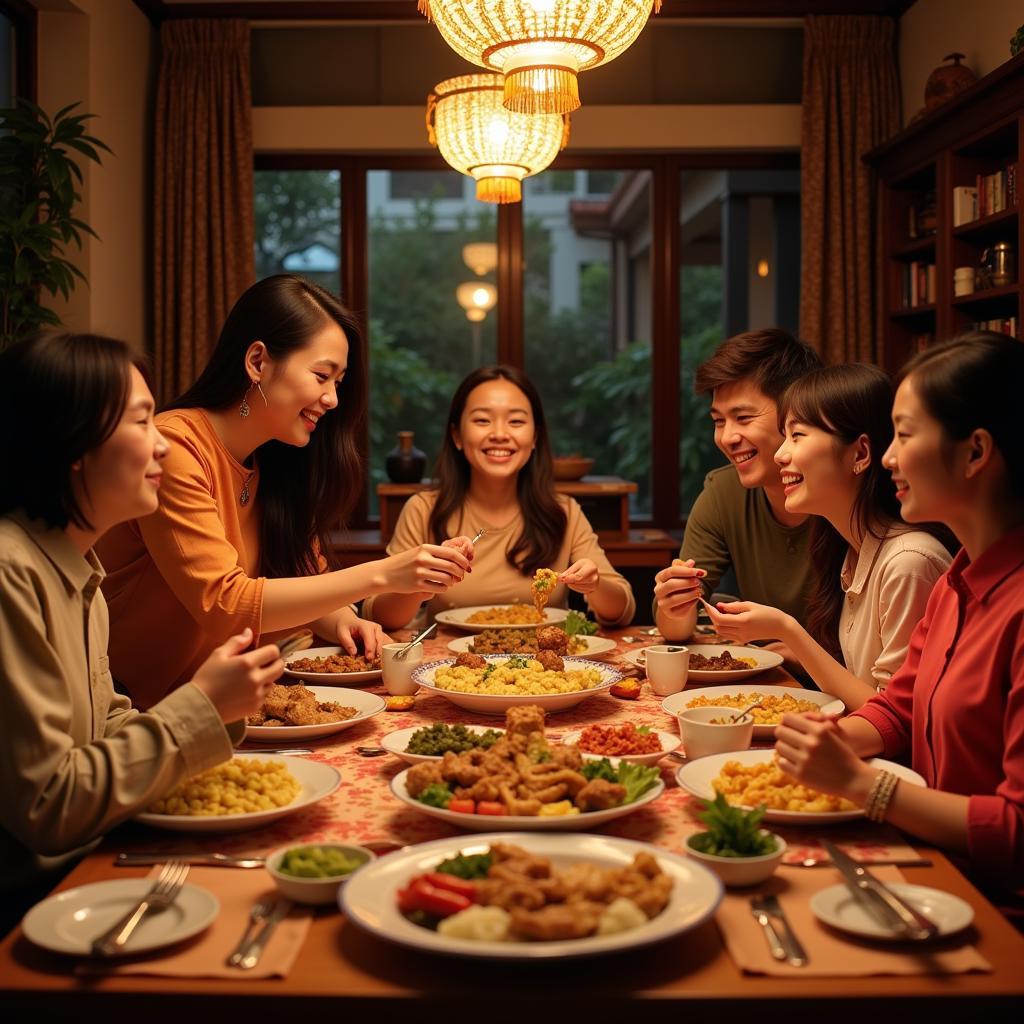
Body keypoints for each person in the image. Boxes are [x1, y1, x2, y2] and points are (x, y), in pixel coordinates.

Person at [0, 332, 281, 930]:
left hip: (94, 861)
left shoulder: (78, 569)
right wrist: (202, 706)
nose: (162, 448)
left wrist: (220, 719)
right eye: (142, 422)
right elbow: (49, 808)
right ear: (73, 440)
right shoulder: (10, 574)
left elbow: (106, 728)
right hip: (35, 902)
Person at [98, 276, 471, 709]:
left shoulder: (274, 458)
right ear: (258, 361)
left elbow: (301, 581)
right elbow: (226, 605)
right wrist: (384, 572)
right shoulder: (176, 446)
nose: (332, 399)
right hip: (142, 716)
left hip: (227, 710)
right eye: (321, 376)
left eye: (339, 382)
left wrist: (339, 620)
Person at [773, 332, 1024, 921]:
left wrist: (863, 785)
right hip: (928, 868)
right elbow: (900, 708)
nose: (888, 457)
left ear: (974, 451)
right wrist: (826, 744)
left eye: (905, 435)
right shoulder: (958, 580)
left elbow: (1016, 831)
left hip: (993, 909)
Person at [702, 364, 951, 709]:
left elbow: (895, 719)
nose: (780, 454)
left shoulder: (909, 562)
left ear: (860, 454)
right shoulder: (849, 551)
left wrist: (788, 630)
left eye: (797, 435)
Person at [363, 365, 635, 630]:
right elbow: (379, 616)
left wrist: (595, 584)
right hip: (445, 668)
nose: (500, 435)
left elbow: (620, 612)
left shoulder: (563, 510)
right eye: (482, 420)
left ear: (535, 436)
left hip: (543, 669)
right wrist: (422, 584)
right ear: (457, 434)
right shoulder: (424, 509)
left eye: (516, 421)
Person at [655, 329, 822, 642]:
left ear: (796, 413)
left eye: (743, 417)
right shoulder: (723, 492)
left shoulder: (839, 495)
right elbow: (674, 629)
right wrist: (673, 604)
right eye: (719, 421)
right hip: (773, 683)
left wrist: (795, 654)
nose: (727, 437)